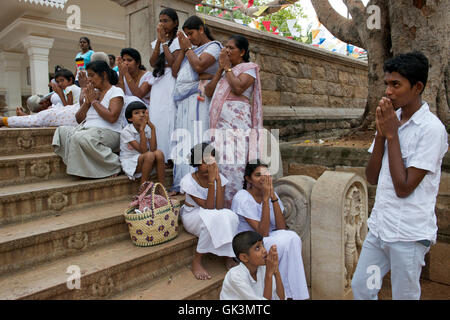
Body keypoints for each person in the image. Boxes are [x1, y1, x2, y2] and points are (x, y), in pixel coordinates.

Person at [351, 52, 448, 300]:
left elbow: (404, 188)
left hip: (408, 236)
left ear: (417, 87)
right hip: (380, 230)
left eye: (396, 84)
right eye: (387, 84)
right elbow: (371, 176)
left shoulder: (431, 130)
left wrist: (392, 134)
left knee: (404, 296)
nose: (389, 91)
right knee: (363, 287)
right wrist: (382, 133)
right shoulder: (391, 121)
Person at [231, 160, 310, 300]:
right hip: (251, 243)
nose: (263, 178)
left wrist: (273, 197)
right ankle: (287, 295)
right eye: (257, 175)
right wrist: (266, 199)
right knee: (285, 242)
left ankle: (293, 294)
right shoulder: (242, 197)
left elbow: (281, 228)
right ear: (248, 179)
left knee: (292, 237)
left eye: (265, 174)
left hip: (269, 238)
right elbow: (262, 233)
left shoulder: (271, 194)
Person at [205, 34, 263, 208]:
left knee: (235, 165)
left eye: (231, 48)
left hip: (237, 125)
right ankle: (221, 205)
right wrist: (220, 70)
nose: (227, 50)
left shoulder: (249, 68)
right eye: (226, 47)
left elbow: (238, 88)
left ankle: (238, 207)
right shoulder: (225, 72)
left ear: (242, 51)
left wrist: (228, 69)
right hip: (220, 127)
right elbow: (209, 92)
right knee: (221, 164)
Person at [170, 16, 223, 194]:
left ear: (201, 29)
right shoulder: (190, 50)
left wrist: (188, 49)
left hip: (199, 100)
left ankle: (202, 185)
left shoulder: (214, 46)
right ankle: (185, 183)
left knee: (197, 138)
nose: (189, 38)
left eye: (191, 33)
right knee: (184, 141)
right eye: (186, 35)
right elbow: (176, 72)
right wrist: (185, 49)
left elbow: (200, 66)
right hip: (186, 102)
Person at [52, 60, 124, 178]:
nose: (89, 79)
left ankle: (115, 164)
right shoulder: (92, 92)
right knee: (62, 132)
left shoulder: (116, 91)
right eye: (88, 75)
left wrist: (94, 102)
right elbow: (79, 119)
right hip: (87, 128)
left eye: (91, 75)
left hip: (110, 132)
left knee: (80, 137)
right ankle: (84, 168)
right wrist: (87, 102)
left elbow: (112, 117)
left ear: (104, 74)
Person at [179, 142, 239, 280]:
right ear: (196, 163)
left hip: (211, 213)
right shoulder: (188, 181)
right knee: (211, 219)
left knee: (231, 216)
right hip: (193, 215)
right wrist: (212, 182)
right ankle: (197, 261)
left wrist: (217, 180)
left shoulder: (220, 179)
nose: (208, 166)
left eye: (211, 162)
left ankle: (228, 255)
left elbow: (219, 208)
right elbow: (209, 208)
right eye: (204, 162)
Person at [149, 8, 181, 169]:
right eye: (160, 20)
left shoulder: (178, 40)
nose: (162, 24)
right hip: (158, 81)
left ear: (175, 22)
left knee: (170, 117)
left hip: (171, 80)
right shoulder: (158, 41)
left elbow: (173, 62)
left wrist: (164, 43)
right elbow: (153, 62)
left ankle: (170, 156)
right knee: (157, 117)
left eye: (166, 20)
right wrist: (159, 41)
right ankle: (158, 153)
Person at [220, 231, 285, 300]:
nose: (264, 250)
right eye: (257, 248)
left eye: (262, 245)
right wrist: (269, 274)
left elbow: (281, 298)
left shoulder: (263, 268)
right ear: (244, 257)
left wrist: (276, 269)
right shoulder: (236, 276)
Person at [120, 101, 165, 186]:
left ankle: (162, 188)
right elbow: (143, 150)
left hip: (145, 159)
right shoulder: (126, 131)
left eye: (144, 112)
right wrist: (141, 130)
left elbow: (153, 149)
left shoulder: (147, 129)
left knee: (159, 153)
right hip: (130, 162)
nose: (142, 115)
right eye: (137, 113)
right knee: (149, 155)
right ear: (130, 119)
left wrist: (152, 128)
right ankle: (142, 189)